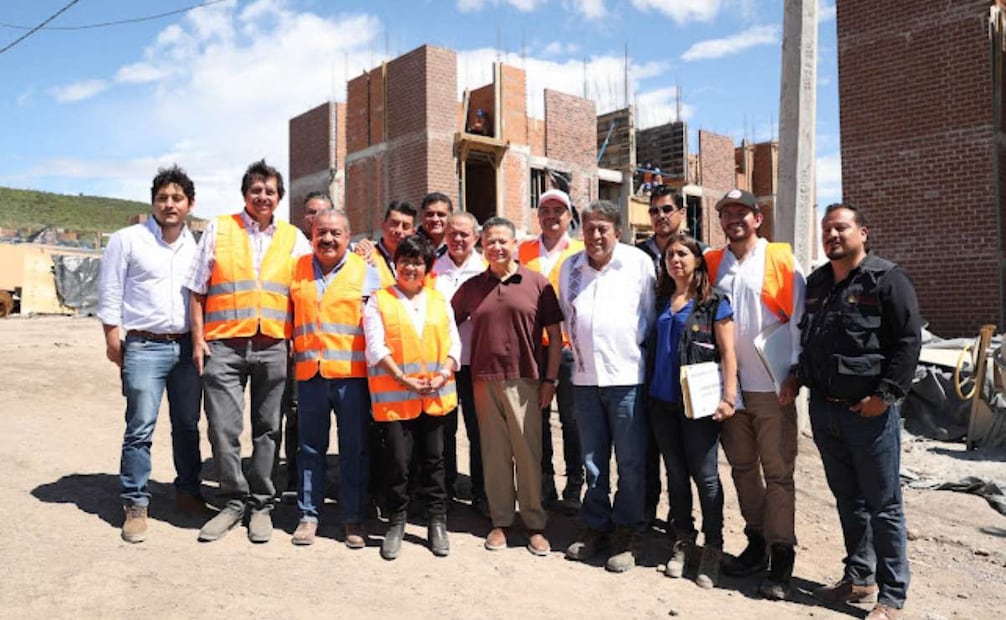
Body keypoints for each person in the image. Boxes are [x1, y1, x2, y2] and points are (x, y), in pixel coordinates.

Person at [789, 203, 920, 620]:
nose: (832, 235)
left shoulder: (887, 279)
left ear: (862, 233)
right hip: (825, 411)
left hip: (869, 414)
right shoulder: (817, 283)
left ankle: (892, 596)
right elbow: (809, 340)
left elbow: (908, 342)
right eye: (827, 229)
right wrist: (797, 376)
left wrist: (886, 395)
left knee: (884, 505)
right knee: (848, 500)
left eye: (841, 228)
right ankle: (859, 578)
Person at [186, 159, 311, 543]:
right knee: (223, 427)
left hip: (274, 345)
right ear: (245, 194)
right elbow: (197, 289)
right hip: (223, 345)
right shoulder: (220, 228)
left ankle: (261, 504)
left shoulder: (294, 238)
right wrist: (198, 339)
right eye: (256, 190)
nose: (263, 196)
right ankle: (233, 500)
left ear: (279, 197)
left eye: (270, 191)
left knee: (268, 428)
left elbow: (310, 286)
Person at [705, 188, 805, 598]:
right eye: (727, 213)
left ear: (757, 218)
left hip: (771, 387)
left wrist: (794, 372)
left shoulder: (779, 258)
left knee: (778, 473)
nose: (734, 219)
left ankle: (781, 555)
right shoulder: (714, 263)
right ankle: (757, 541)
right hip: (730, 390)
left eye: (741, 212)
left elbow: (799, 318)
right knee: (743, 468)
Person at [98, 165, 206, 543]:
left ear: (190, 204)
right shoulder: (127, 240)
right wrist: (112, 338)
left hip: (187, 347)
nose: (169, 204)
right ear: (152, 202)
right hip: (144, 346)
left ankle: (188, 493)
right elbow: (110, 290)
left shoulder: (198, 246)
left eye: (177, 198)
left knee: (188, 424)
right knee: (140, 426)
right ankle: (135, 503)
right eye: (162, 198)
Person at [453, 216, 562, 556]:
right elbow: (445, 322)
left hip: (525, 380)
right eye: (490, 241)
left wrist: (550, 380)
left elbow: (555, 336)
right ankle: (501, 521)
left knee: (528, 455)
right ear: (482, 246)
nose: (496, 247)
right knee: (494, 454)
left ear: (515, 244)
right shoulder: (472, 287)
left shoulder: (536, 283)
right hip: (483, 381)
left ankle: (534, 523)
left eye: (503, 240)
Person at [559, 201, 656, 573]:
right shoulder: (570, 267)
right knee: (593, 462)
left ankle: (629, 533)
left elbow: (648, 316)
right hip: (585, 379)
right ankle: (596, 527)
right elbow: (568, 317)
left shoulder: (638, 263)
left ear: (618, 231)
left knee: (631, 462)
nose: (595, 235)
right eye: (589, 228)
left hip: (627, 379)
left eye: (603, 228)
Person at [648, 233, 738, 589]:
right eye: (670, 255)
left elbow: (728, 353)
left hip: (698, 405)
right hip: (661, 403)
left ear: (698, 260)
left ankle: (712, 547)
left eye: (683, 253)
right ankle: (683, 541)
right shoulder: (660, 300)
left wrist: (728, 398)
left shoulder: (714, 303)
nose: (675, 260)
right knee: (675, 474)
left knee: (706, 477)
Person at [364, 235, 461, 560]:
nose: (410, 267)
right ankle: (396, 521)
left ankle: (437, 521)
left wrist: (443, 374)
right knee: (399, 463)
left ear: (427, 267)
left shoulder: (438, 300)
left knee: (435, 462)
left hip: (435, 395)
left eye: (417, 262)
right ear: (395, 264)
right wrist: (403, 379)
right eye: (404, 261)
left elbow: (454, 343)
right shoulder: (379, 300)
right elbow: (376, 347)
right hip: (396, 398)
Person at [288, 209, 381, 548]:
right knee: (310, 448)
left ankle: (352, 517)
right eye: (321, 232)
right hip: (310, 374)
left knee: (354, 449)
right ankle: (308, 515)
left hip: (351, 378)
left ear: (348, 236)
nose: (327, 239)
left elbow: (379, 319)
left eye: (335, 233)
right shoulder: (296, 268)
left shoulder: (366, 271)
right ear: (311, 234)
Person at [518, 188, 584, 514]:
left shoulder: (581, 252)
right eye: (545, 210)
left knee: (572, 419)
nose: (551, 216)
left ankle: (574, 482)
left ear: (569, 216)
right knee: (537, 419)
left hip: (570, 349)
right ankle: (544, 480)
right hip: (533, 349)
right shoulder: (523, 250)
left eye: (558, 210)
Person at [635, 184, 693, 524]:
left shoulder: (697, 252)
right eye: (654, 210)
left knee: (679, 455)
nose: (660, 216)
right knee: (645, 448)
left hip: (683, 365)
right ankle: (645, 513)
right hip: (645, 364)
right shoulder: (636, 255)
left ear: (681, 213)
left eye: (667, 209)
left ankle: (679, 521)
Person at [276, 191, 335, 499]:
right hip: (300, 351)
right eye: (311, 212)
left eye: (323, 211)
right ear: (303, 216)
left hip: (338, 355)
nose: (316, 217)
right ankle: (293, 477)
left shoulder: (344, 250)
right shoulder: (292, 251)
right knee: (296, 413)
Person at [431, 212, 489, 515]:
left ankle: (482, 493)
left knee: (479, 431)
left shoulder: (487, 268)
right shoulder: (433, 269)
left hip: (478, 363)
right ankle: (446, 491)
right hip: (443, 365)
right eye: (452, 233)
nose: (457, 239)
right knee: (444, 431)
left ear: (476, 237)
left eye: (464, 234)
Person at [355, 200, 417, 287]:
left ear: (413, 232)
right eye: (394, 224)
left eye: (405, 226)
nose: (399, 230)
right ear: (383, 225)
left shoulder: (417, 261)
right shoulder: (366, 254)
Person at [417, 192, 452, 258]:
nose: (435, 219)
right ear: (421, 216)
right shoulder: (410, 244)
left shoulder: (457, 246)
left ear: (450, 217)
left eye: (441, 214)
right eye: (430, 214)